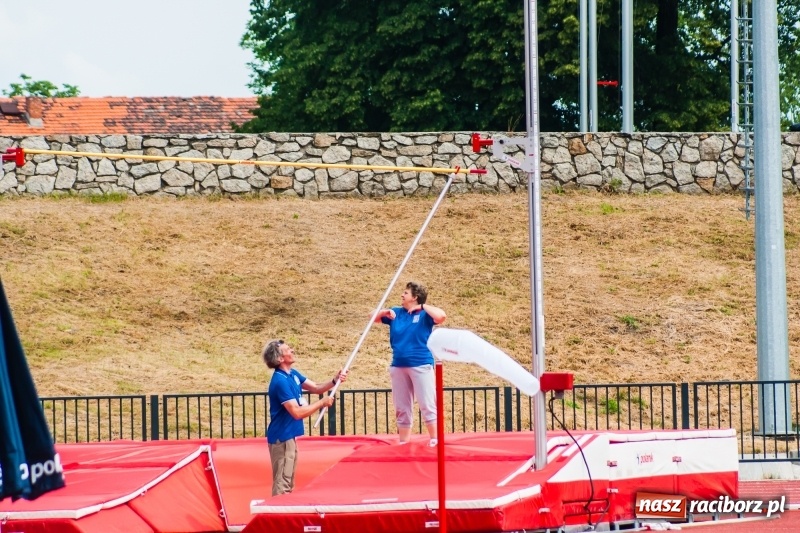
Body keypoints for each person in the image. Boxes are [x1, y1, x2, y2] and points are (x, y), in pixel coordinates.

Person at [262, 339, 346, 496]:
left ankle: (283, 515)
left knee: (288, 481)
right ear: (280, 359)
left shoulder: (293, 374)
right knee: (282, 483)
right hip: (282, 438)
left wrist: (335, 380)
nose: (292, 350)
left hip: (289, 437)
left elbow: (315, 387)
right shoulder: (280, 381)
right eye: (288, 349)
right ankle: (278, 517)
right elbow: (296, 412)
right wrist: (321, 403)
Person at [375, 281, 446, 446]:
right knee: (402, 406)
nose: (402, 295)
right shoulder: (397, 312)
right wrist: (384, 311)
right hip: (398, 365)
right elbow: (372, 317)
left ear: (415, 297)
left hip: (420, 364)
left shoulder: (425, 314)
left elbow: (441, 316)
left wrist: (423, 307)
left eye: (406, 293)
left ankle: (435, 438)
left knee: (426, 403)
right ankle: (403, 441)